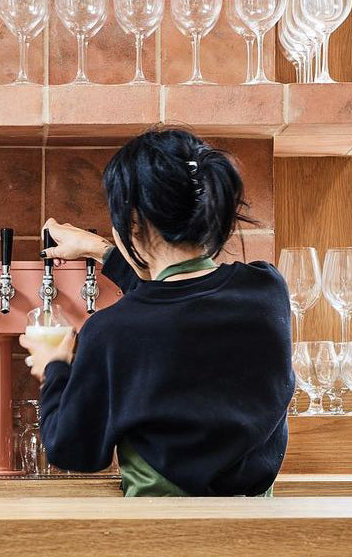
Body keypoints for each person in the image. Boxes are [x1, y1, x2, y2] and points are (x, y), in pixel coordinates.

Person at [19, 127, 293, 497]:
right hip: (259, 534)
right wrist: (102, 250)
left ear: (131, 223)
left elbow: (73, 449)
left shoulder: (111, 331)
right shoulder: (265, 290)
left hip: (160, 537)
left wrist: (56, 367)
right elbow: (174, 305)